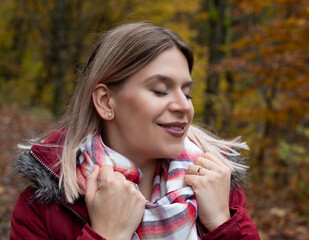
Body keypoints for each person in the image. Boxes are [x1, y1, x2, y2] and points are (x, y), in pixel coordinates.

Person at [10, 22, 260, 240]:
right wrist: (106, 234)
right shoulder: (42, 207)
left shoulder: (217, 185)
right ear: (106, 102)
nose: (184, 106)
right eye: (160, 90)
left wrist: (221, 223)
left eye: (187, 93)